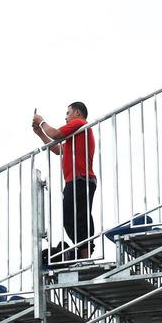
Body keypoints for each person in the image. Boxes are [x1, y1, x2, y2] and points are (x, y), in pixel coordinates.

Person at [32, 102, 97, 263]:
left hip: (81, 178)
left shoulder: (79, 123)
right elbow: (57, 149)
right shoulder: (75, 136)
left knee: (78, 218)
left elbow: (55, 133)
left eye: (68, 113)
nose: (66, 117)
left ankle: (85, 256)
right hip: (75, 180)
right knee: (71, 219)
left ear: (77, 112)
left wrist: (41, 121)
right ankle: (83, 254)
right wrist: (40, 133)